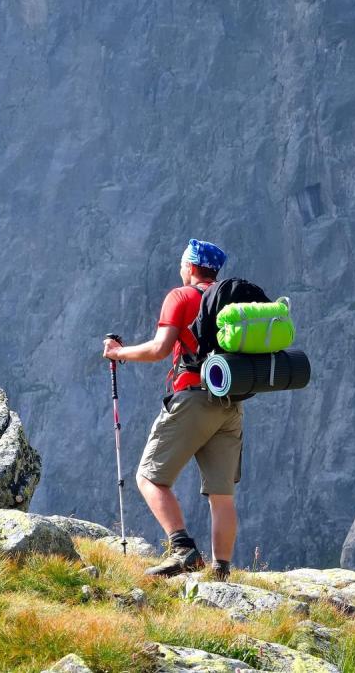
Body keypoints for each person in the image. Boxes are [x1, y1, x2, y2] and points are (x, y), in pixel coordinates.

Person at [101, 239, 241, 580]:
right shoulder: (230, 301)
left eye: (182, 264)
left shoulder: (181, 297)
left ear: (190, 267)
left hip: (193, 399)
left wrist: (118, 353)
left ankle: (183, 549)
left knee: (149, 477)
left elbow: (160, 349)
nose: (180, 270)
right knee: (221, 495)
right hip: (231, 402)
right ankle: (221, 573)